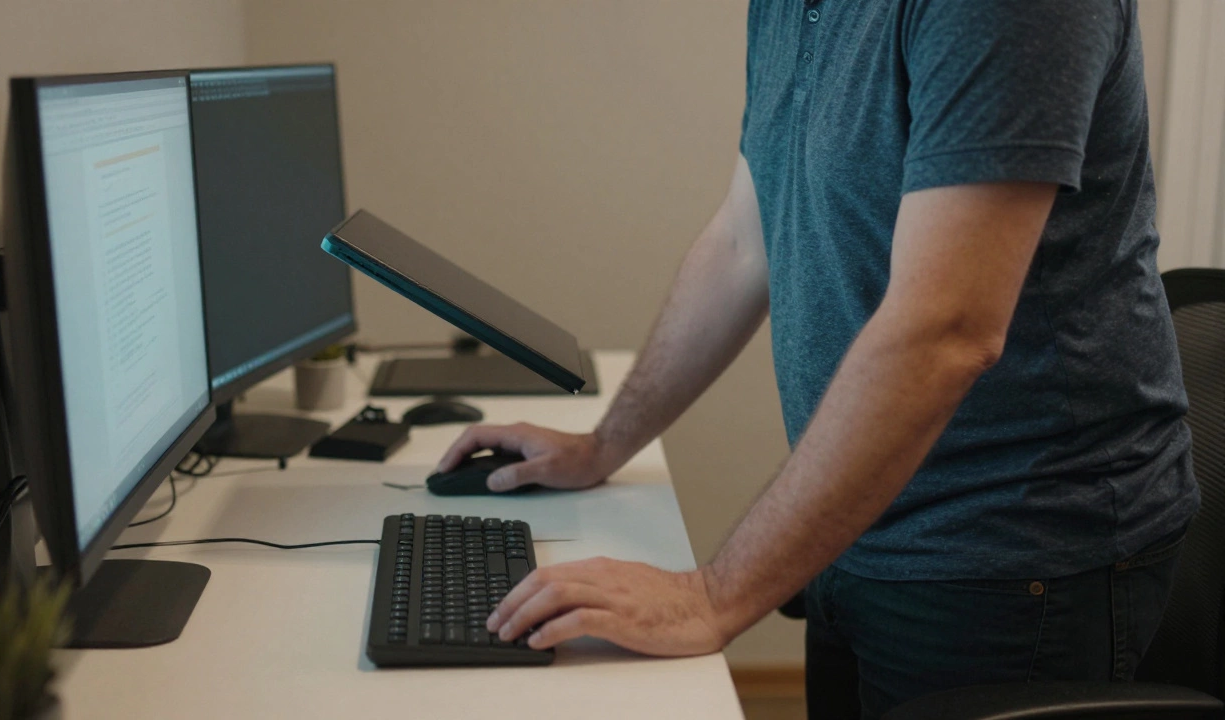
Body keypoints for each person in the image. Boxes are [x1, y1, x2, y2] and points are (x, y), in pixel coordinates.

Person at [435, 1, 1200, 717]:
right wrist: (603, 444)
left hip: (1009, 552)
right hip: (855, 513)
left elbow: (948, 329)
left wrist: (713, 596)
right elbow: (744, 239)